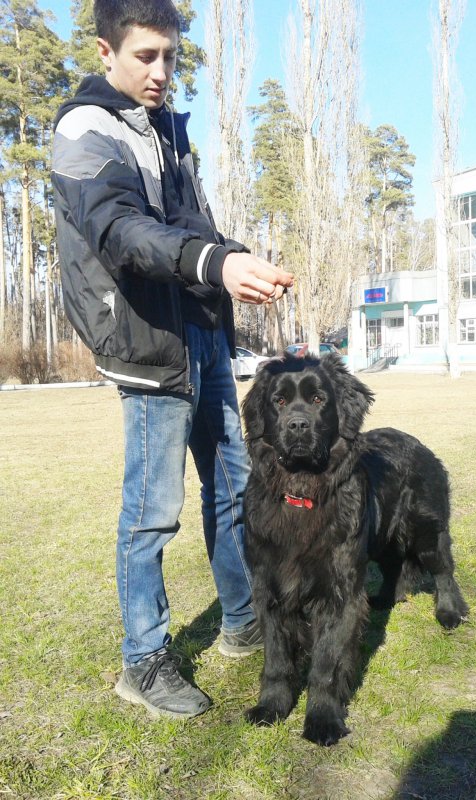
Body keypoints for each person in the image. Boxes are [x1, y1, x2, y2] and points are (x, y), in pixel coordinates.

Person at [51, 0, 293, 719]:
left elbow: (191, 228)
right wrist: (213, 262)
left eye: (171, 58)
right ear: (106, 52)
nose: (162, 73)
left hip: (203, 335)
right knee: (153, 513)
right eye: (146, 56)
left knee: (232, 489)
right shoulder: (84, 130)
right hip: (146, 345)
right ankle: (144, 660)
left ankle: (244, 620)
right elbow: (122, 231)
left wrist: (235, 259)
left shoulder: (165, 131)